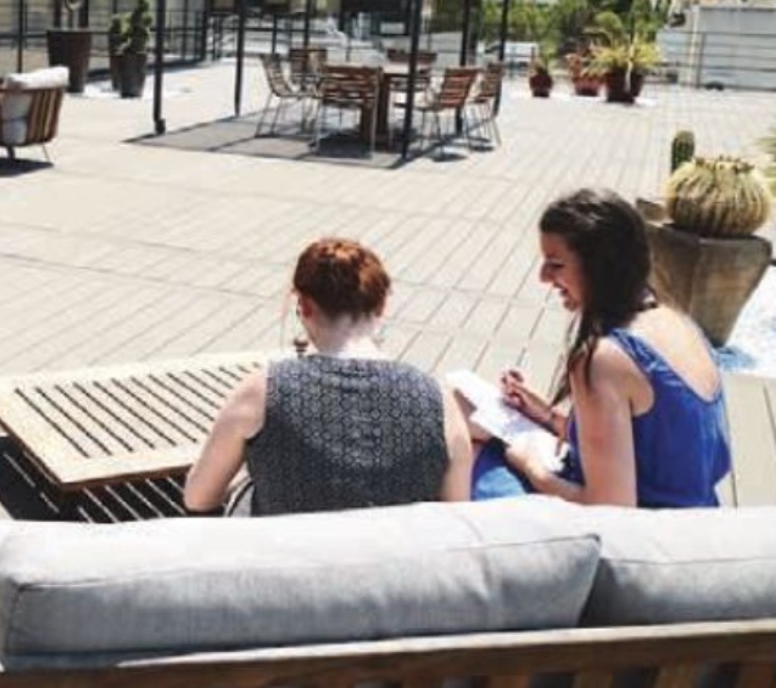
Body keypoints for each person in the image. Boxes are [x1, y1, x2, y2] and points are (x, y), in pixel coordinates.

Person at [470, 188, 731, 507]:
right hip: (696, 517)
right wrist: (547, 416)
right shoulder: (678, 322)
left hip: (638, 532)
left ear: (600, 267)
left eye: (555, 264)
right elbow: (656, 451)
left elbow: (610, 507)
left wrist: (529, 464)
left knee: (471, 447)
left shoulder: (604, 359)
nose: (543, 277)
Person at [184, 238, 473, 516]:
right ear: (382, 306)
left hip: (288, 549)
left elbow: (197, 498)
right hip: (396, 550)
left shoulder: (262, 392)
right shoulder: (437, 400)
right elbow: (457, 514)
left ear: (304, 306)